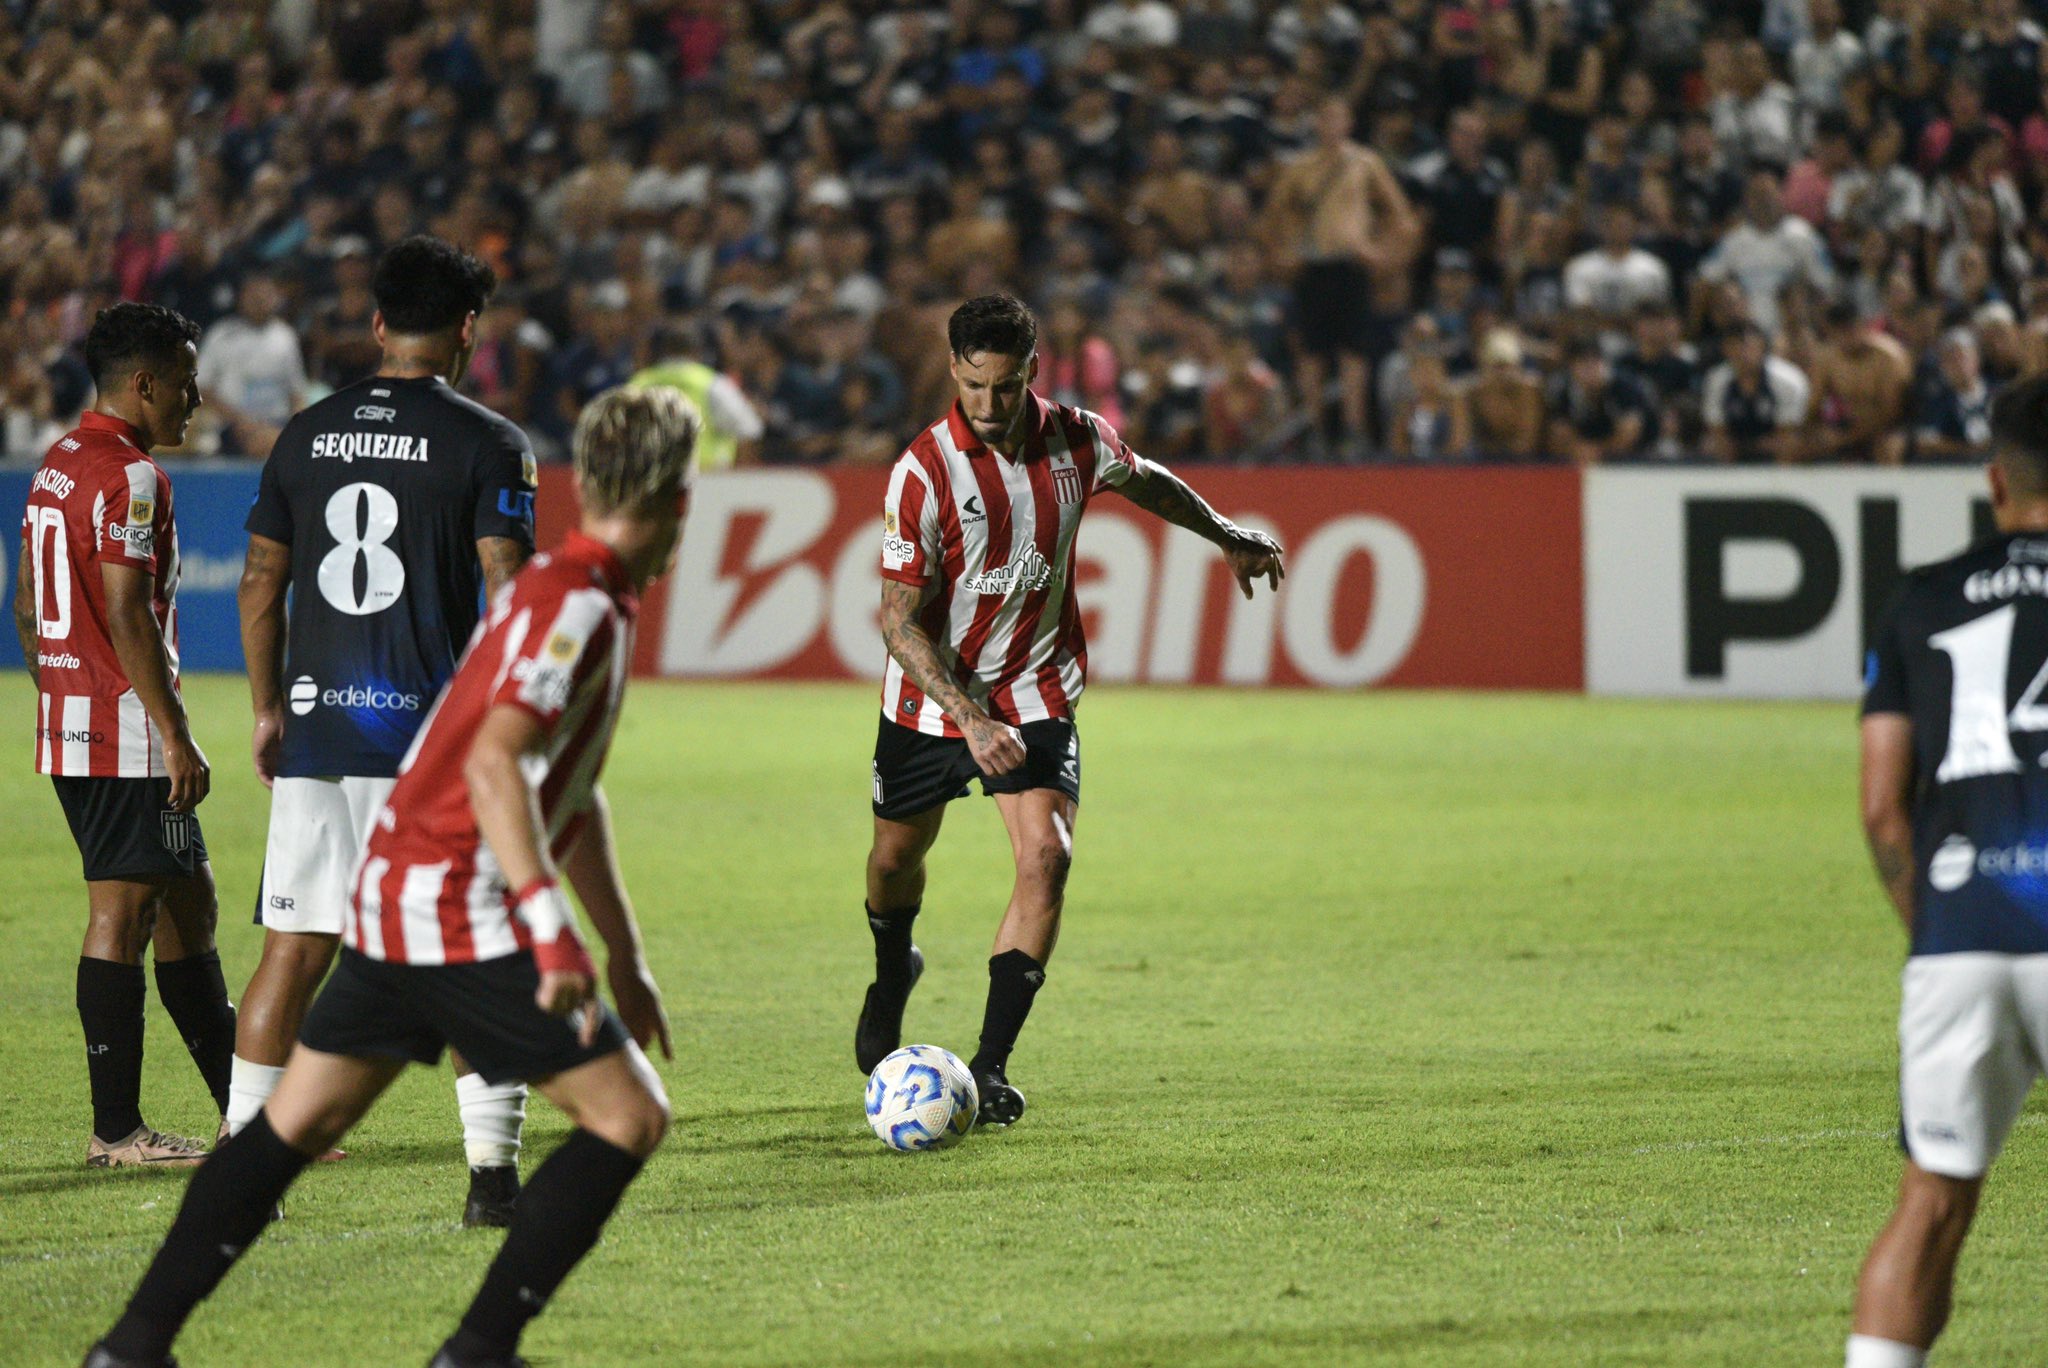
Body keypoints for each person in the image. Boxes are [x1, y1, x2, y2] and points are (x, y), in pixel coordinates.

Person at [85, 384, 696, 1368]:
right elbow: (499, 763)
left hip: (400, 894)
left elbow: (564, 787)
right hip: (459, 906)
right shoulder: (575, 604)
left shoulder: (575, 591)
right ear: (678, 500)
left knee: (291, 1126)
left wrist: (623, 955)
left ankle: (131, 1345)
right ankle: (479, 1349)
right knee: (628, 1117)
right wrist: (550, 927)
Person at [856, 294, 1284, 1125]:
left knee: (1046, 857)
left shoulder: (1076, 441)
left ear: (1032, 374)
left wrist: (1226, 531)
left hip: (1037, 686)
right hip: (932, 699)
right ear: (953, 370)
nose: (987, 405)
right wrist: (970, 719)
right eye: (973, 386)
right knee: (892, 863)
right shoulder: (923, 472)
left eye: (1006, 388)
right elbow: (898, 621)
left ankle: (985, 1070)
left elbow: (1146, 479)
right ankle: (889, 967)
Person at [229, 236, 541, 1226]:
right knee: (472, 954)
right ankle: (490, 1182)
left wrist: (269, 708)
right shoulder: (489, 442)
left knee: (293, 946)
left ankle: (243, 1174)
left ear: (374, 325)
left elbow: (260, 582)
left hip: (319, 730)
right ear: (466, 330)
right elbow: (509, 588)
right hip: (429, 747)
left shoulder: (304, 434)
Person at [1849, 374, 2048, 1368]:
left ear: (1993, 480)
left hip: (1958, 933)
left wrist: (1935, 926)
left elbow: (1882, 805)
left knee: (1928, 1201)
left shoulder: (1921, 600)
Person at [14, 303, 236, 1167]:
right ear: (143, 384)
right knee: (126, 909)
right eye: (184, 379)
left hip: (82, 724)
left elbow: (31, 609)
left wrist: (66, 690)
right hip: (128, 734)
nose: (196, 395)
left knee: (189, 901)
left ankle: (241, 1114)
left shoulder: (61, 462)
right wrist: (173, 735)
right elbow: (127, 611)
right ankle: (117, 1133)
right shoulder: (134, 477)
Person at [1262, 96, 1419, 460]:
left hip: (1351, 265)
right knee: (1312, 354)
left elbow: (1402, 217)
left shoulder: (1364, 163)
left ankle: (1353, 430)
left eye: (1338, 117)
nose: (1332, 124)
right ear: (1316, 122)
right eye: (1325, 117)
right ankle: (1316, 432)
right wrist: (1284, 254)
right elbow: (1271, 218)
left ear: (1348, 122)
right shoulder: (1300, 168)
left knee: (1354, 353)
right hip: (1314, 266)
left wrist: (1382, 256)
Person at [1805, 301, 1913, 464]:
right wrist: (1817, 432)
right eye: (1839, 333)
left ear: (1863, 326)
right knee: (1796, 447)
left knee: (1889, 448)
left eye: (1850, 330)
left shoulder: (1889, 357)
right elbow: (1812, 408)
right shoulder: (1827, 358)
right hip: (1848, 425)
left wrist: (1845, 438)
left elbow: (1891, 413)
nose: (1846, 338)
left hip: (1890, 429)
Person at [1702, 322, 1810, 464]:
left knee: (1794, 444)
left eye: (1748, 347)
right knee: (1708, 445)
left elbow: (1787, 437)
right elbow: (1717, 432)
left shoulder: (1787, 381)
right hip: (1735, 448)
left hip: (1775, 450)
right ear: (1725, 350)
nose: (1743, 354)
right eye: (1735, 347)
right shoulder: (1717, 380)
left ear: (1762, 347)